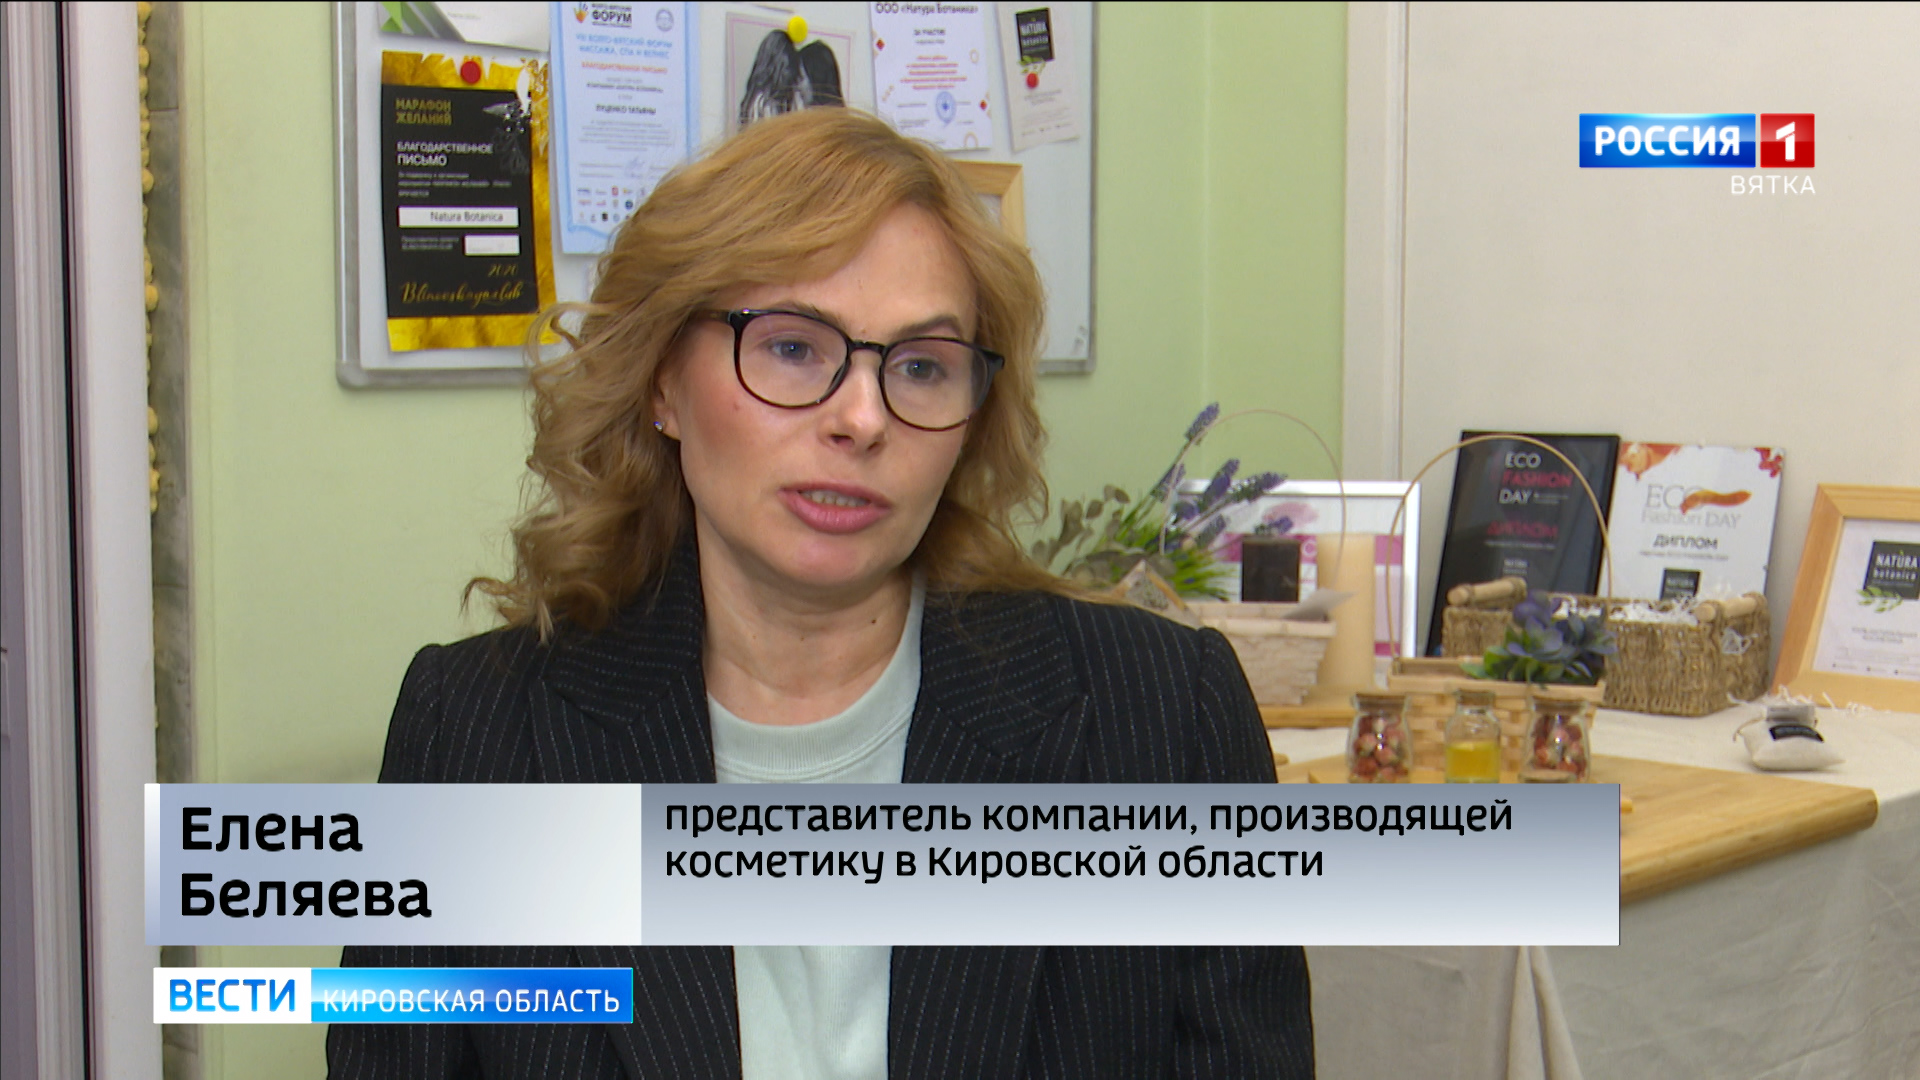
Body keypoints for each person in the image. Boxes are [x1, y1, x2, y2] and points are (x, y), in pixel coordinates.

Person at [326, 108, 1313, 1079]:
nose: (862, 417)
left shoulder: (1162, 719)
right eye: (794, 347)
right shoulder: (476, 735)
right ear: (663, 384)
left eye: (921, 366)